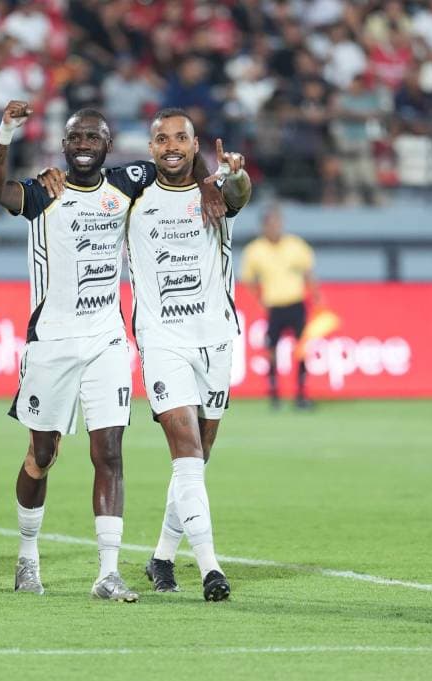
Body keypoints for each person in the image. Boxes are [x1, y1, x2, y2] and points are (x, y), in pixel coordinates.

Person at [0, 105, 226, 601]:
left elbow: (182, 166)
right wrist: (5, 134)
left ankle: (108, 572)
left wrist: (209, 182)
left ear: (107, 145)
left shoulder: (128, 181)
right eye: (74, 137)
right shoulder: (44, 192)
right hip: (52, 342)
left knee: (110, 453)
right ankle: (27, 556)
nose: (83, 144)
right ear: (63, 144)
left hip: (107, 339)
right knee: (42, 454)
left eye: (92, 137)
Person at [126, 109, 250, 601]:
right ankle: (210, 568)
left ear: (195, 144)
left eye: (181, 138)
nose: (171, 145)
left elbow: (240, 193)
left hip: (216, 338)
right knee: (187, 456)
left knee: (198, 459)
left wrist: (233, 174)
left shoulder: (218, 190)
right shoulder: (131, 198)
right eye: (162, 139)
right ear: (150, 147)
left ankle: (161, 555)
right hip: (162, 341)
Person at [238, 204, 320, 409]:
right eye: (271, 223)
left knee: (301, 349)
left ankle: (301, 393)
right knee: (271, 348)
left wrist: (316, 295)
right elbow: (248, 278)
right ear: (264, 226)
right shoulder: (255, 250)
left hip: (296, 303)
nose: (276, 227)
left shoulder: (295, 245)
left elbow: (308, 271)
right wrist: (260, 297)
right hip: (275, 306)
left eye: (278, 222)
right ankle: (274, 393)